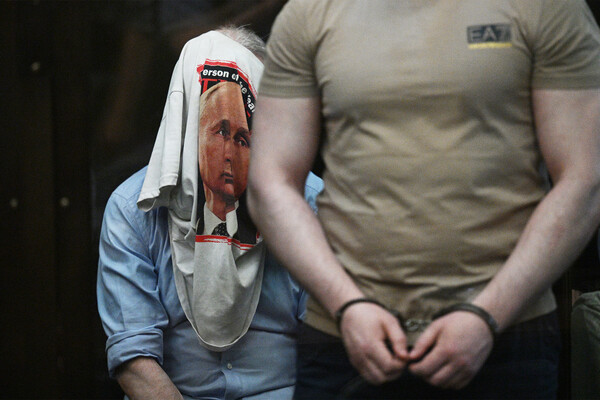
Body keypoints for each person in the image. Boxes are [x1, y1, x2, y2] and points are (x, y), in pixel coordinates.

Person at [247, 1, 600, 399]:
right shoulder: (310, 13)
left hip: (508, 334)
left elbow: (585, 180)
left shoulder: (546, 8)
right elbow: (270, 182)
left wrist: (488, 315)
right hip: (345, 335)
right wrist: (347, 304)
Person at [97, 26, 323, 400]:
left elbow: (326, 348)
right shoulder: (132, 209)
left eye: (243, 132)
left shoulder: (310, 201)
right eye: (218, 129)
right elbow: (134, 359)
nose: (230, 152)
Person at [197, 81, 253, 241]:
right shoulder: (144, 211)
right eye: (222, 132)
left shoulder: (306, 202)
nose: (230, 155)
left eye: (242, 141)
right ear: (198, 135)